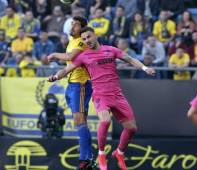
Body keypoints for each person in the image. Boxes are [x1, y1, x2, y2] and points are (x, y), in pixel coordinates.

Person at [48, 27, 155, 170]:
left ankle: (119, 153)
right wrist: (55, 77)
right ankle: (101, 154)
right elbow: (66, 69)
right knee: (105, 120)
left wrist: (145, 68)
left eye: (88, 37)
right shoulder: (83, 56)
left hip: (117, 94)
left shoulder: (111, 50)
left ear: (95, 35)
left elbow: (130, 59)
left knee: (132, 128)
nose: (87, 41)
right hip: (100, 95)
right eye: (84, 39)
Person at [46, 16, 94, 170]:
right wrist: (56, 76)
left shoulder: (81, 41)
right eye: (71, 24)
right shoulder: (72, 41)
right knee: (81, 122)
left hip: (81, 85)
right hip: (72, 84)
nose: (72, 26)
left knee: (80, 121)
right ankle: (88, 156)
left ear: (82, 28)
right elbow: (70, 65)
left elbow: (69, 57)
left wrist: (54, 54)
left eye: (76, 24)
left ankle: (85, 159)